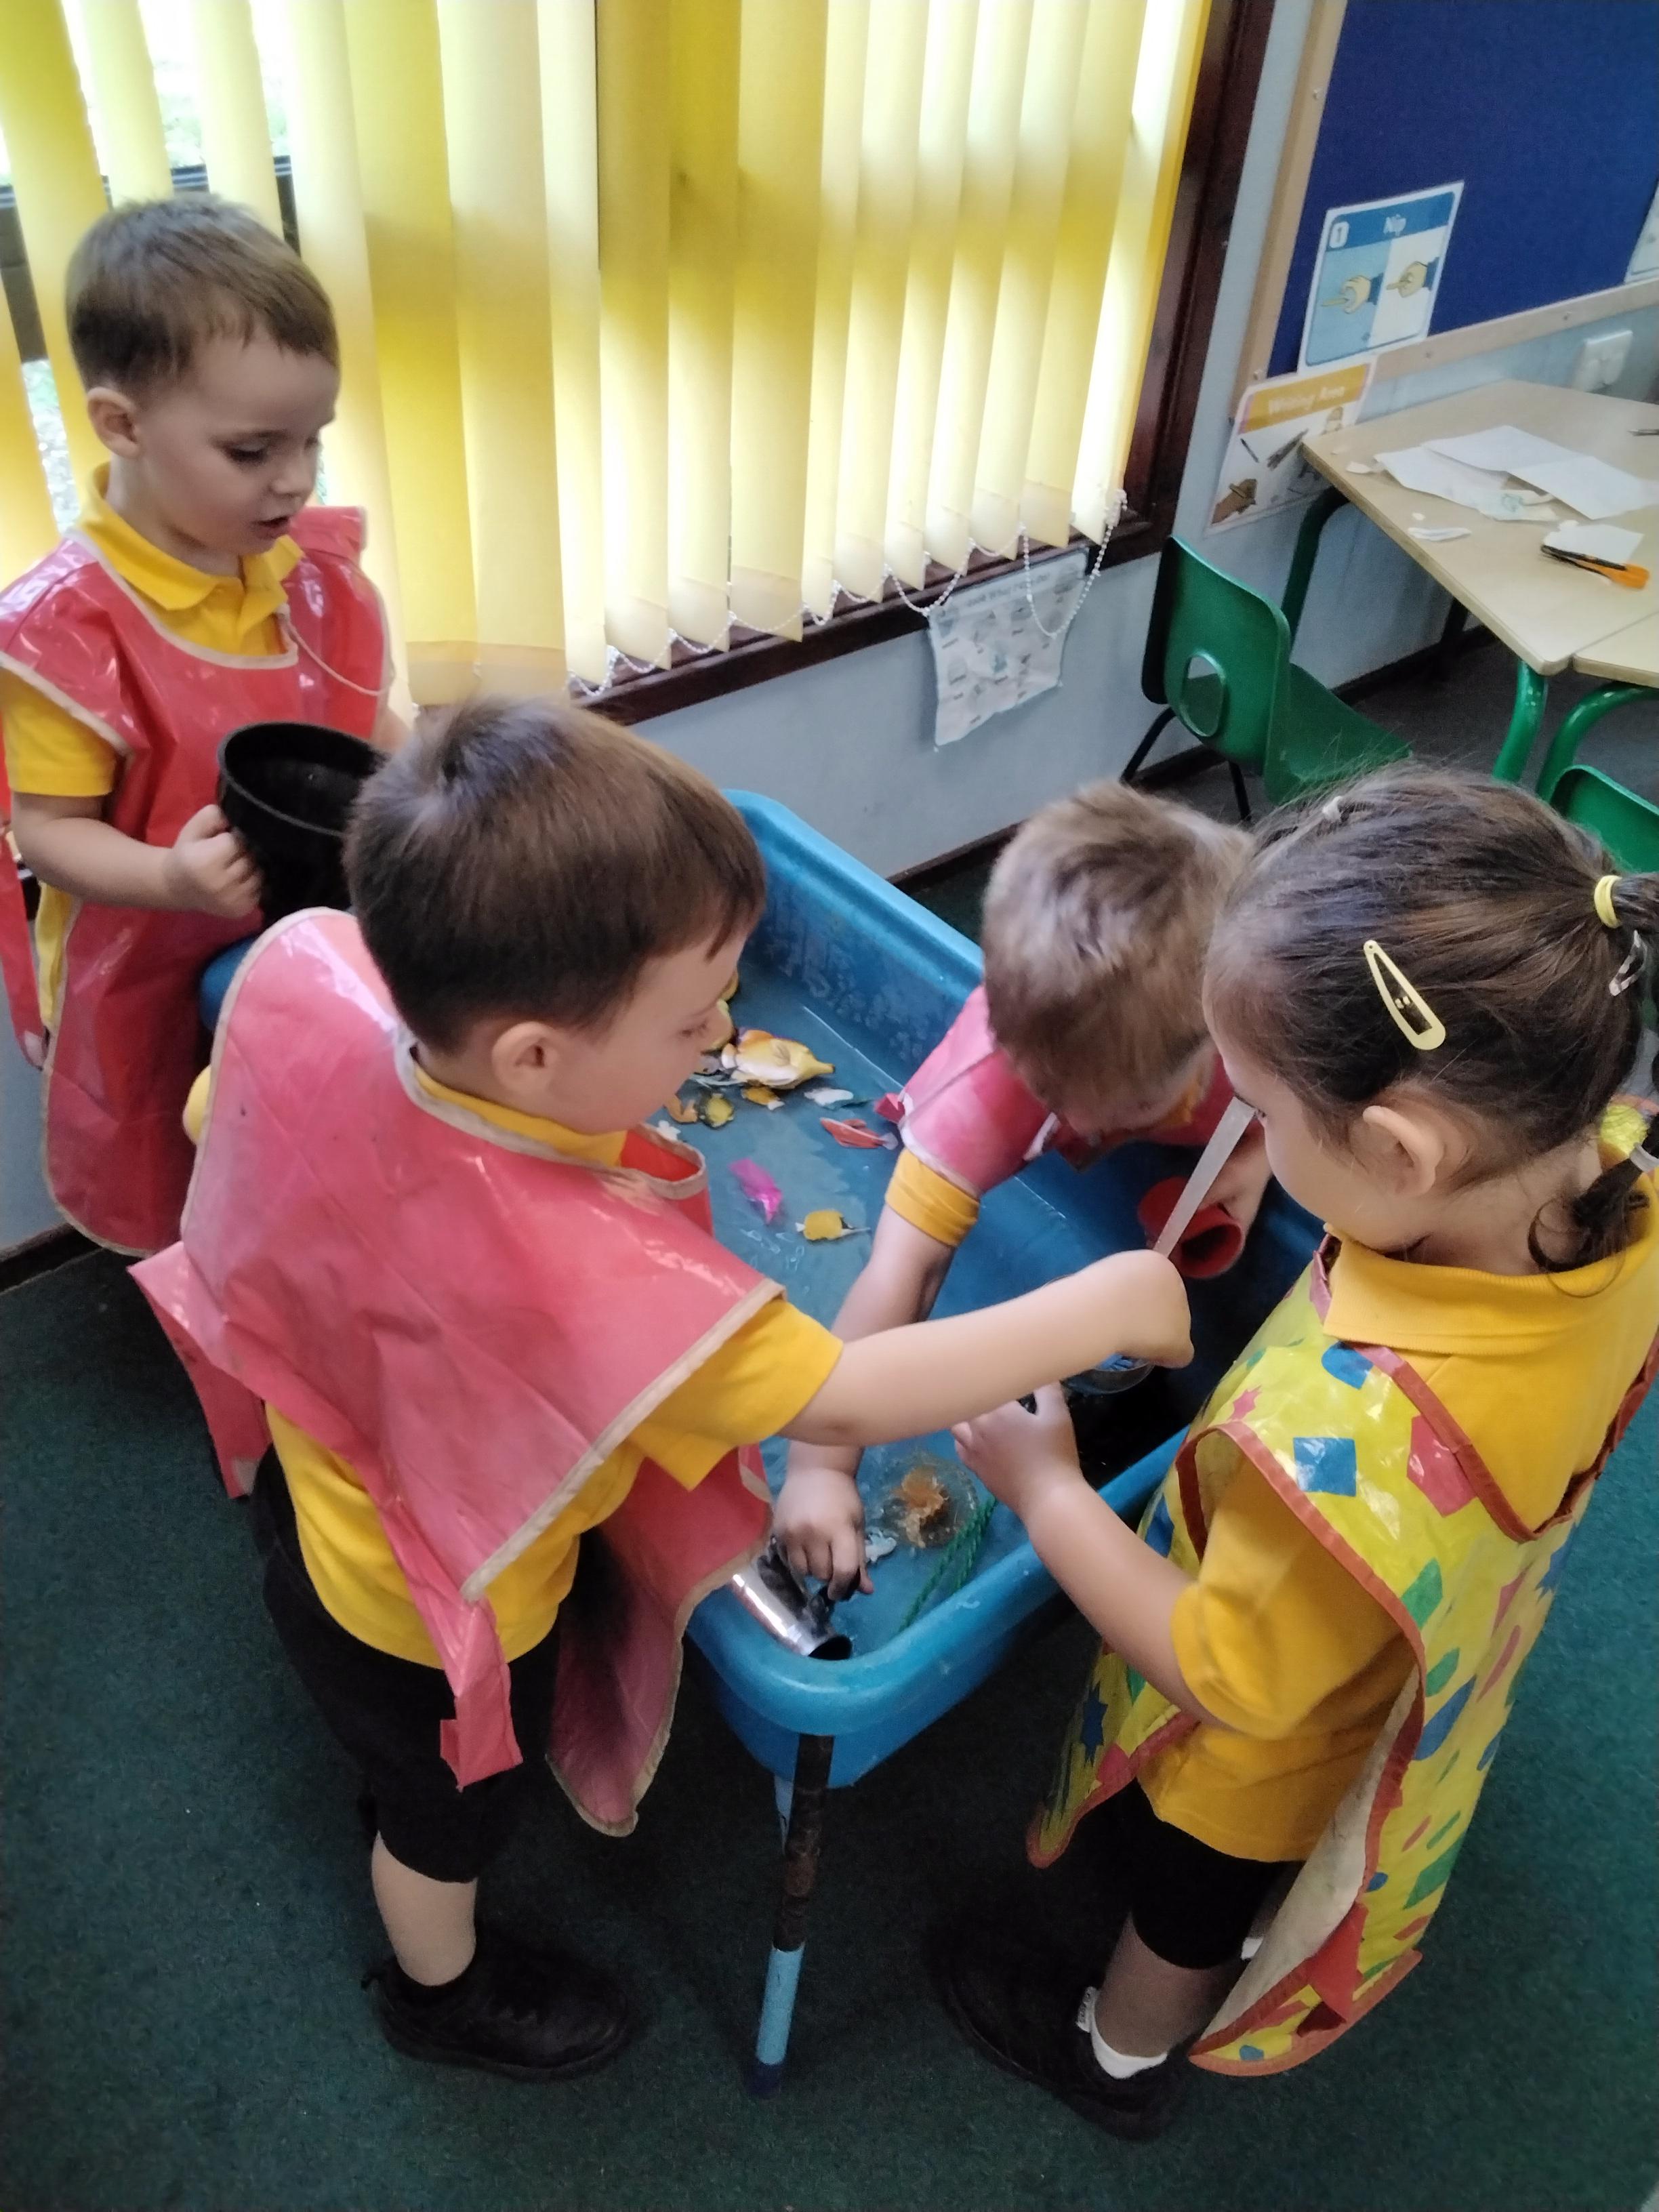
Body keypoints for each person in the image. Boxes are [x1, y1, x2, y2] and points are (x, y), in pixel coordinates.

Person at [134, 700, 1193, 2084]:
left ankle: (392, 1780)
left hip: (308, 1473)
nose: (727, 1027)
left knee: (387, 1736)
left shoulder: (310, 972)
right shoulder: (583, 1280)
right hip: (422, 1608)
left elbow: (223, 1117)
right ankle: (440, 1986)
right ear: (532, 1057)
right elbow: (846, 1395)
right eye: (694, 1017)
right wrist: (1104, 1304)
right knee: (447, 1818)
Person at [934, 767, 1659, 2139]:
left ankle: (1116, 2059)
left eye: (1260, 1112)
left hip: (1264, 1748)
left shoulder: (1354, 1440)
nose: (1243, 1131)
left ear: (1399, 1151)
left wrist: (1046, 1489)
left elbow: (1223, 1671)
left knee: (1189, 1901)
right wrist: (1293, 1157)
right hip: (1432, 1628)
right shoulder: (1608, 1171)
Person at [0, 194, 398, 1255]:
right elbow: (47, 833)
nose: (297, 479)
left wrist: (443, 779)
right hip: (148, 957)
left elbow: (368, 728)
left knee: (299, 1151)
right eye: (253, 450)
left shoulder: (305, 570)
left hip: (297, 934)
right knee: (187, 1172)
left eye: (312, 441)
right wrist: (173, 879)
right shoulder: (68, 630)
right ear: (122, 425)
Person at [775, 779, 1273, 1594]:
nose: (1076, 1116)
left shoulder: (1254, 1028)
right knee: (940, 1196)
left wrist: (1252, 1159)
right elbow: (904, 1274)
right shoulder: (990, 1087)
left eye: (1120, 1107)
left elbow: (1310, 1103)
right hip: (1000, 1090)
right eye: (1054, 1091)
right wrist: (820, 1468)